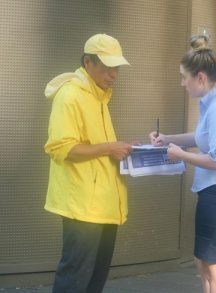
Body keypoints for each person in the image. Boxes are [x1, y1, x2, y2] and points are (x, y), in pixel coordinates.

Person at [150, 47, 216, 293]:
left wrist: (180, 155)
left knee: (214, 270)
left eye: (185, 77)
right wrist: (168, 139)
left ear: (201, 77)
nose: (182, 83)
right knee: (205, 265)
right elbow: (204, 137)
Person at [44, 34, 132, 293]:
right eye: (107, 66)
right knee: (75, 277)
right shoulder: (71, 95)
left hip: (103, 203)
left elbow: (96, 147)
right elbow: (62, 148)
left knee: (95, 276)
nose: (113, 74)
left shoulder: (99, 96)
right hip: (82, 205)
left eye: (116, 67)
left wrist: (124, 151)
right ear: (87, 62)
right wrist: (110, 147)